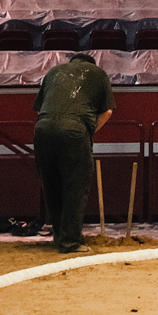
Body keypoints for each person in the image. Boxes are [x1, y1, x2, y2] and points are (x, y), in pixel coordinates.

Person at [33, 53, 114, 252]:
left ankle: (60, 236)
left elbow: (40, 108)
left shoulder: (54, 72)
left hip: (42, 129)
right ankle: (70, 242)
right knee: (75, 187)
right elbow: (107, 111)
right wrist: (87, 132)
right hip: (74, 130)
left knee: (51, 186)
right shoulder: (98, 73)